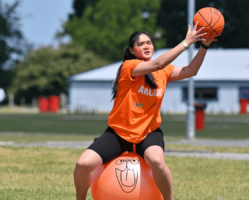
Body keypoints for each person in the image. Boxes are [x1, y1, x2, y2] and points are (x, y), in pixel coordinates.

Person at [74, 22, 216, 200]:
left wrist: (204, 45)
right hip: (119, 133)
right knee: (82, 164)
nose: (146, 46)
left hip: (148, 133)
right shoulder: (129, 67)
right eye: (140, 44)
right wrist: (186, 42)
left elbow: (191, 70)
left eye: (149, 42)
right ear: (132, 51)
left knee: (156, 160)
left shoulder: (163, 72)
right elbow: (157, 63)